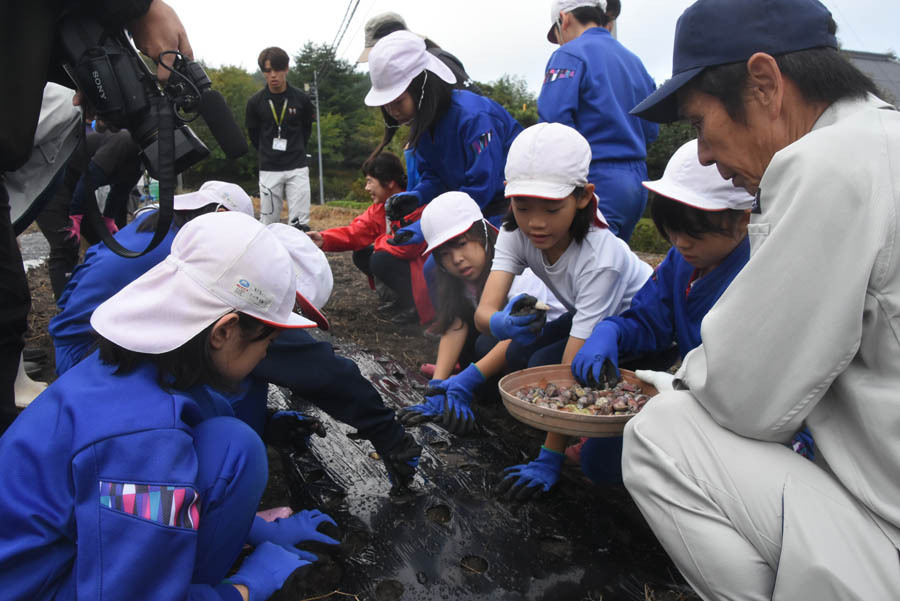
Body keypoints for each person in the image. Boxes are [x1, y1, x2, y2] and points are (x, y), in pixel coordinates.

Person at [621, 0, 900, 598]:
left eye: (698, 124)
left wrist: (667, 381)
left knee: (661, 433)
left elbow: (746, 396)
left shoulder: (826, 162)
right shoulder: (883, 141)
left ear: (765, 83)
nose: (702, 157)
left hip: (891, 539)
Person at [0, 211, 325, 600]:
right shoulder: (143, 441)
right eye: (266, 344)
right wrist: (247, 587)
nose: (263, 357)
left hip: (51, 558)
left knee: (231, 443)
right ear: (224, 331)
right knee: (235, 444)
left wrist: (256, 529)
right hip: (38, 590)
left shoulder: (127, 368)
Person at [48, 181, 422, 489]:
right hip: (96, 366)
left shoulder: (166, 236)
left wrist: (267, 423)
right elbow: (323, 371)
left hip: (93, 354)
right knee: (242, 389)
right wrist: (389, 433)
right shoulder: (225, 285)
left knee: (236, 371)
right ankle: (210, 482)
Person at [0, 0, 192, 435]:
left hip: (62, 181)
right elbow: (87, 184)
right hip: (61, 193)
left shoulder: (134, 159)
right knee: (58, 256)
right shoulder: (123, 145)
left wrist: (113, 226)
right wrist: (140, 7)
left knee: (11, 300)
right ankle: (66, 299)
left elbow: (119, 192)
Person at [474, 122, 651, 501]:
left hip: (634, 323)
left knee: (550, 367)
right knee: (520, 353)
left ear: (584, 197)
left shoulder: (601, 257)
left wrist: (548, 456)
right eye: (522, 207)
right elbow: (483, 313)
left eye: (552, 208)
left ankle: (577, 437)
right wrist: (500, 322)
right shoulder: (515, 232)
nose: (536, 222)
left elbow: (571, 370)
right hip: (587, 313)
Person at [568, 138, 754, 482]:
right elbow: (649, 321)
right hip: (684, 392)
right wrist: (612, 331)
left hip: (726, 411)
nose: (681, 243)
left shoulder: (755, 274)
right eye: (672, 231)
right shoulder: (680, 263)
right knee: (601, 459)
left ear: (743, 220)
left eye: (696, 233)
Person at [396, 191, 564, 434]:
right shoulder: (460, 278)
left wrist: (467, 380)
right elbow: (454, 326)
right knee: (478, 354)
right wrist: (436, 387)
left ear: (483, 232)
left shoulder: (518, 265)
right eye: (444, 254)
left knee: (485, 345)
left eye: (462, 244)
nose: (457, 259)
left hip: (546, 337)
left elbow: (522, 332)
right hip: (508, 340)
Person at [50, 181, 256, 376]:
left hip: (69, 339)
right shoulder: (181, 249)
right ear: (220, 214)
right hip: (84, 359)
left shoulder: (154, 225)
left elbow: (76, 282)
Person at [365, 30, 522, 228]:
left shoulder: (474, 118)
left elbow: (482, 186)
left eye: (398, 102)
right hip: (471, 211)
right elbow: (434, 177)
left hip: (510, 210)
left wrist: (424, 230)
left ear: (422, 87)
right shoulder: (424, 126)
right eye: (386, 105)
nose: (393, 111)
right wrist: (417, 195)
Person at [539, 0, 658, 242]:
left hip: (595, 178)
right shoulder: (634, 61)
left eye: (558, 33)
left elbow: (554, 123)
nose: (560, 41)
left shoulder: (568, 54)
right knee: (616, 266)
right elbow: (651, 129)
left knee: (586, 267)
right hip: (637, 182)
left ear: (564, 19)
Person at [307, 152, 431, 325]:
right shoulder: (382, 207)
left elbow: (407, 248)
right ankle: (403, 299)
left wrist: (380, 241)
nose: (366, 188)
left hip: (425, 276)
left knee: (379, 258)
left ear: (389, 182)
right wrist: (324, 238)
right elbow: (356, 231)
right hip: (405, 264)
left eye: (369, 181)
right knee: (362, 254)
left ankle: (417, 304)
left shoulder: (414, 203)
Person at [246, 46, 316, 230]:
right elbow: (253, 134)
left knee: (300, 223)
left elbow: (306, 130)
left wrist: (297, 148)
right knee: (268, 223)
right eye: (268, 71)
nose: (273, 75)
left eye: (277, 70)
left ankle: (299, 257)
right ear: (263, 73)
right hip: (269, 167)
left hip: (297, 166)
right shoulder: (255, 102)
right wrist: (266, 152)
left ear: (286, 69)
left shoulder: (301, 100)